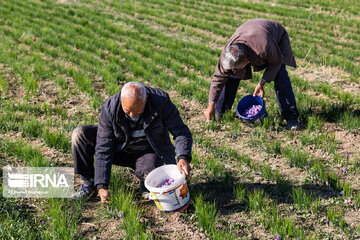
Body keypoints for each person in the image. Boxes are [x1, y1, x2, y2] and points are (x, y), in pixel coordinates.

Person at [71, 82, 192, 202]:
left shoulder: (161, 102)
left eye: (137, 110)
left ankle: (146, 182)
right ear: (121, 101)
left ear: (146, 100)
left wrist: (183, 157)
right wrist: (101, 185)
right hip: (119, 149)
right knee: (81, 134)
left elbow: (180, 131)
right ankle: (89, 184)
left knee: (151, 169)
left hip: (147, 152)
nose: (133, 115)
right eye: (128, 111)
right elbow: (104, 146)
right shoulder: (110, 108)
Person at [204, 19, 300, 130]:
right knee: (232, 74)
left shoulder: (264, 47)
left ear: (245, 61)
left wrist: (262, 82)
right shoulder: (228, 53)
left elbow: (276, 62)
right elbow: (218, 78)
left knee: (280, 75)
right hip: (249, 32)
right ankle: (220, 113)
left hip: (274, 37)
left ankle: (291, 117)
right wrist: (211, 105)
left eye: (237, 66)